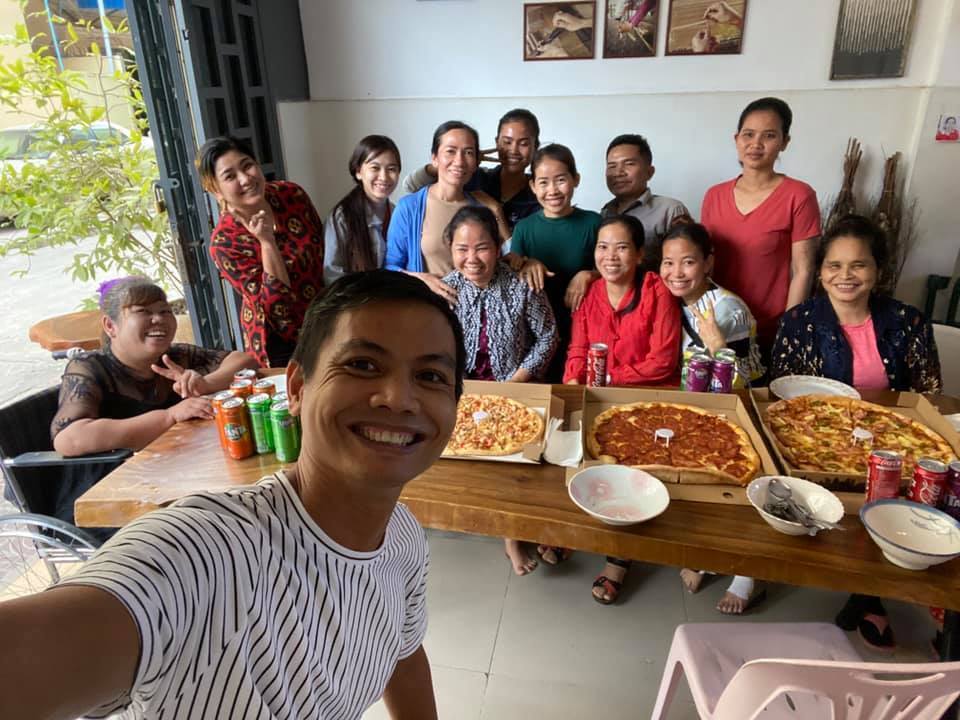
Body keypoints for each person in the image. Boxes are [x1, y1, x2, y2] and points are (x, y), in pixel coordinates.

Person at [0, 270, 466, 719]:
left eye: (430, 376)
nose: (399, 398)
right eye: (362, 365)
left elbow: (403, 654)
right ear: (297, 388)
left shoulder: (402, 538)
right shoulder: (208, 550)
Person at [771, 214, 943, 650]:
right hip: (817, 445)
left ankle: (917, 604)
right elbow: (781, 397)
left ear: (878, 270)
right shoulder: (798, 322)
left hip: (897, 443)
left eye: (858, 264)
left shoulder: (908, 322)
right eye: (834, 265)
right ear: (820, 271)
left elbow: (928, 398)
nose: (845, 275)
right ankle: (869, 597)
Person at [48, 277, 256, 539]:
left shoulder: (173, 357)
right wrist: (169, 416)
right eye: (143, 312)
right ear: (110, 325)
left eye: (165, 311)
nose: (158, 319)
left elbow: (244, 361)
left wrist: (206, 383)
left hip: (169, 480)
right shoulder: (89, 367)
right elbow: (69, 438)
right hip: (110, 502)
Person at [562, 215, 680, 603]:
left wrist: (611, 379)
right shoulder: (590, 292)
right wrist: (572, 383)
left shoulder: (657, 291)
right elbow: (578, 348)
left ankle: (619, 559)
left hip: (647, 399)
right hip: (598, 395)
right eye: (603, 247)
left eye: (622, 247)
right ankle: (578, 534)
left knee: (627, 471)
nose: (610, 256)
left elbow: (663, 361)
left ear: (640, 254)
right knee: (573, 455)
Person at [442, 206, 559, 575]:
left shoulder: (521, 284)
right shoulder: (446, 289)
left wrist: (516, 382)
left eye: (481, 248)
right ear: (450, 249)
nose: (472, 259)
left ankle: (521, 531)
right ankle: (501, 528)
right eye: (462, 249)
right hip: (464, 394)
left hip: (516, 390)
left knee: (522, 466)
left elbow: (548, 337)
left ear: (497, 248)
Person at [700, 97, 820, 360]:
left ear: (785, 142)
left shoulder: (799, 196)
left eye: (769, 135)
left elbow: (803, 271)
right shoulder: (714, 196)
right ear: (736, 139)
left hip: (769, 330)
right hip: (718, 327)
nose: (756, 144)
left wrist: (789, 331)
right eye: (748, 134)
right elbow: (704, 263)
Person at [199, 135, 325, 368]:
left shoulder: (291, 195)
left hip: (324, 319)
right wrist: (267, 242)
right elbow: (278, 306)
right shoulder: (225, 243)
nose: (245, 179)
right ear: (216, 190)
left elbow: (321, 249)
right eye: (230, 176)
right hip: (281, 342)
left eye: (247, 165)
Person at [386, 120, 508, 305]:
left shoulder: (482, 208)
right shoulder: (410, 208)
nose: (459, 161)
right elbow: (389, 268)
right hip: (426, 309)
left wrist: (496, 210)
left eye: (468, 153)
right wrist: (420, 280)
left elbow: (506, 261)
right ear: (435, 158)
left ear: (476, 163)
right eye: (450, 151)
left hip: (477, 312)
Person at [508, 143, 601, 381]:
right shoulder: (524, 228)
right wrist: (527, 263)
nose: (552, 190)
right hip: (536, 331)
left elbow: (612, 269)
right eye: (543, 182)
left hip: (582, 325)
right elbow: (513, 275)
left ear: (575, 179)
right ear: (532, 186)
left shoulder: (593, 223)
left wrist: (589, 274)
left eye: (560, 180)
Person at [659, 222, 764, 386]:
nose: (677, 273)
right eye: (668, 263)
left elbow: (743, 383)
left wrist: (718, 348)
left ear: (707, 263)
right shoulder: (666, 299)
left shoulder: (729, 310)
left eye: (688, 262)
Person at [402, 109, 542, 230]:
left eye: (523, 143)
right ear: (497, 142)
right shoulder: (474, 177)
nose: (513, 150)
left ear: (535, 146)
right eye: (507, 142)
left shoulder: (540, 194)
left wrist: (496, 211)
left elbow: (523, 250)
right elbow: (411, 186)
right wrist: (458, 162)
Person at [323, 135, 401, 284]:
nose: (384, 177)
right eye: (375, 168)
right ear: (358, 171)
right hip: (355, 296)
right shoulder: (342, 216)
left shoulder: (397, 213)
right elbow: (332, 275)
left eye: (391, 169)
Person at [601, 134, 688, 256]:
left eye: (629, 164)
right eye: (612, 166)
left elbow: (686, 259)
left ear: (649, 172)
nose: (618, 173)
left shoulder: (670, 210)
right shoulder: (605, 212)